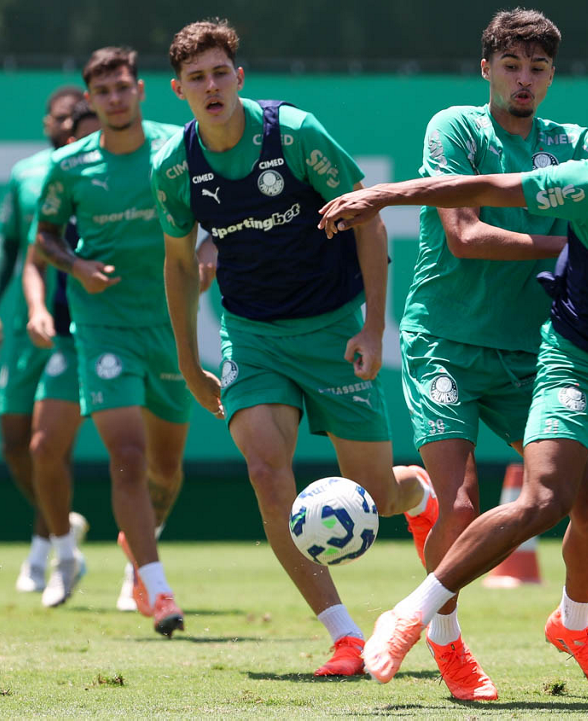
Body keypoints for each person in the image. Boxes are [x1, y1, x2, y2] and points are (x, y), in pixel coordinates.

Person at [321, 74, 588, 709]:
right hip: (574, 367)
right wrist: (386, 195)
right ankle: (411, 615)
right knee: (545, 500)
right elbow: (488, 188)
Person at [151, 19, 437, 674]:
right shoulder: (175, 168)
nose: (212, 86)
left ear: (239, 77)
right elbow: (175, 265)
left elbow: (367, 214)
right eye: (197, 78)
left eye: (221, 72)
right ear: (178, 90)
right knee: (264, 469)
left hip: (334, 328)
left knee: (376, 497)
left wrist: (372, 329)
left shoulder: (295, 134)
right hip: (251, 337)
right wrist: (190, 363)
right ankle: (343, 635)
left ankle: (414, 493)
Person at [26, 101, 217, 610]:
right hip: (86, 332)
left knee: (165, 466)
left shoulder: (162, 159)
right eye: (80, 137)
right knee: (50, 446)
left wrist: (207, 253)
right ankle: (68, 555)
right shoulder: (64, 177)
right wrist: (37, 307)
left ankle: (137, 550)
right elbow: (33, 252)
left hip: (157, 326)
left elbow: (215, 212)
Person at [0, 85, 87, 594]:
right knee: (14, 443)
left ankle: (48, 548)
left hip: (75, 328)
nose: (68, 125)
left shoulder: (92, 172)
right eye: (61, 117)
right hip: (28, 327)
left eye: (76, 117)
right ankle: (60, 523)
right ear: (48, 123)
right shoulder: (26, 174)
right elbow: (10, 250)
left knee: (50, 444)